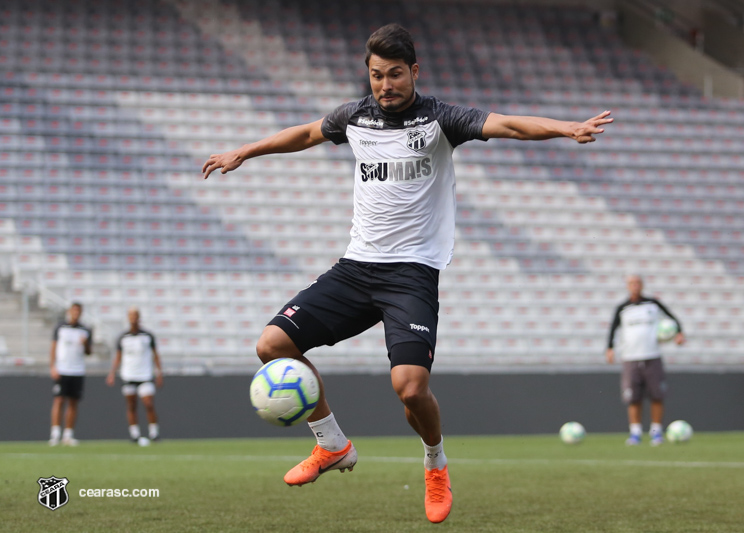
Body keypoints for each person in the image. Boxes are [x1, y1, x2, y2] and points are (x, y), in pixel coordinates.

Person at [202, 23, 612, 523]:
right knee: (271, 345)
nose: (385, 85)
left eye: (395, 74)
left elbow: (507, 124)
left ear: (413, 72)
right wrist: (245, 150)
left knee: (411, 388)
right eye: (376, 75)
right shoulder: (354, 117)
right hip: (356, 268)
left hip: (412, 275)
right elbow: (306, 133)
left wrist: (566, 128)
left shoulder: (441, 118)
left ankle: (435, 465)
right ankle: (331, 444)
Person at [605, 274, 685, 446]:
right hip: (630, 358)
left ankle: (656, 433)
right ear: (627, 286)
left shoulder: (653, 304)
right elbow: (613, 327)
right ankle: (635, 433)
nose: (635, 285)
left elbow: (672, 318)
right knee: (633, 398)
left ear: (642, 285)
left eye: (637, 282)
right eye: (631, 283)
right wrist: (609, 348)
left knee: (657, 395)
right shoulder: (623, 308)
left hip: (652, 356)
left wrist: (679, 333)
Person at [106, 307, 163, 442]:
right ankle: (134, 434)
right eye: (130, 315)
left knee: (148, 404)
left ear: (139, 317)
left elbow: (156, 355)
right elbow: (118, 357)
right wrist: (112, 373)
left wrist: (159, 372)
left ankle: (154, 432)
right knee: (131, 405)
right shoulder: (123, 337)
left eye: (135, 315)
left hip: (145, 375)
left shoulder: (147, 336)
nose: (133, 318)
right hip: (128, 376)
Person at [49, 302, 92, 446]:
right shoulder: (60, 327)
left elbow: (89, 352)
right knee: (59, 400)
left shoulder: (85, 330)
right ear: (69, 311)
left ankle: (68, 434)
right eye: (73, 310)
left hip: (77, 370)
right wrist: (52, 366)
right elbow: (53, 347)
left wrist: (85, 344)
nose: (76, 313)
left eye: (78, 311)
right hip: (62, 369)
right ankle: (55, 434)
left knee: (73, 402)